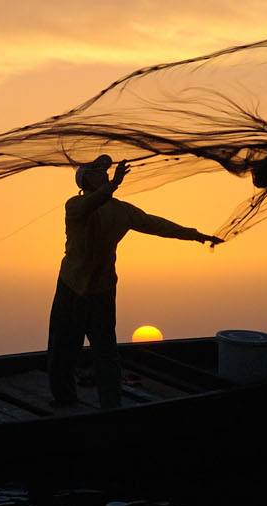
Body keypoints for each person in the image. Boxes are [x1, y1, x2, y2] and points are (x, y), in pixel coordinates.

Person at [49, 155, 220, 409]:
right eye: (99, 171)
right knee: (64, 349)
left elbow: (156, 224)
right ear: (85, 180)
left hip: (99, 291)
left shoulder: (121, 211)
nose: (105, 174)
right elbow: (90, 205)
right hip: (72, 289)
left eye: (105, 172)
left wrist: (193, 235)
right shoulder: (74, 205)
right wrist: (114, 185)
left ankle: (111, 405)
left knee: (104, 352)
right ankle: (66, 400)